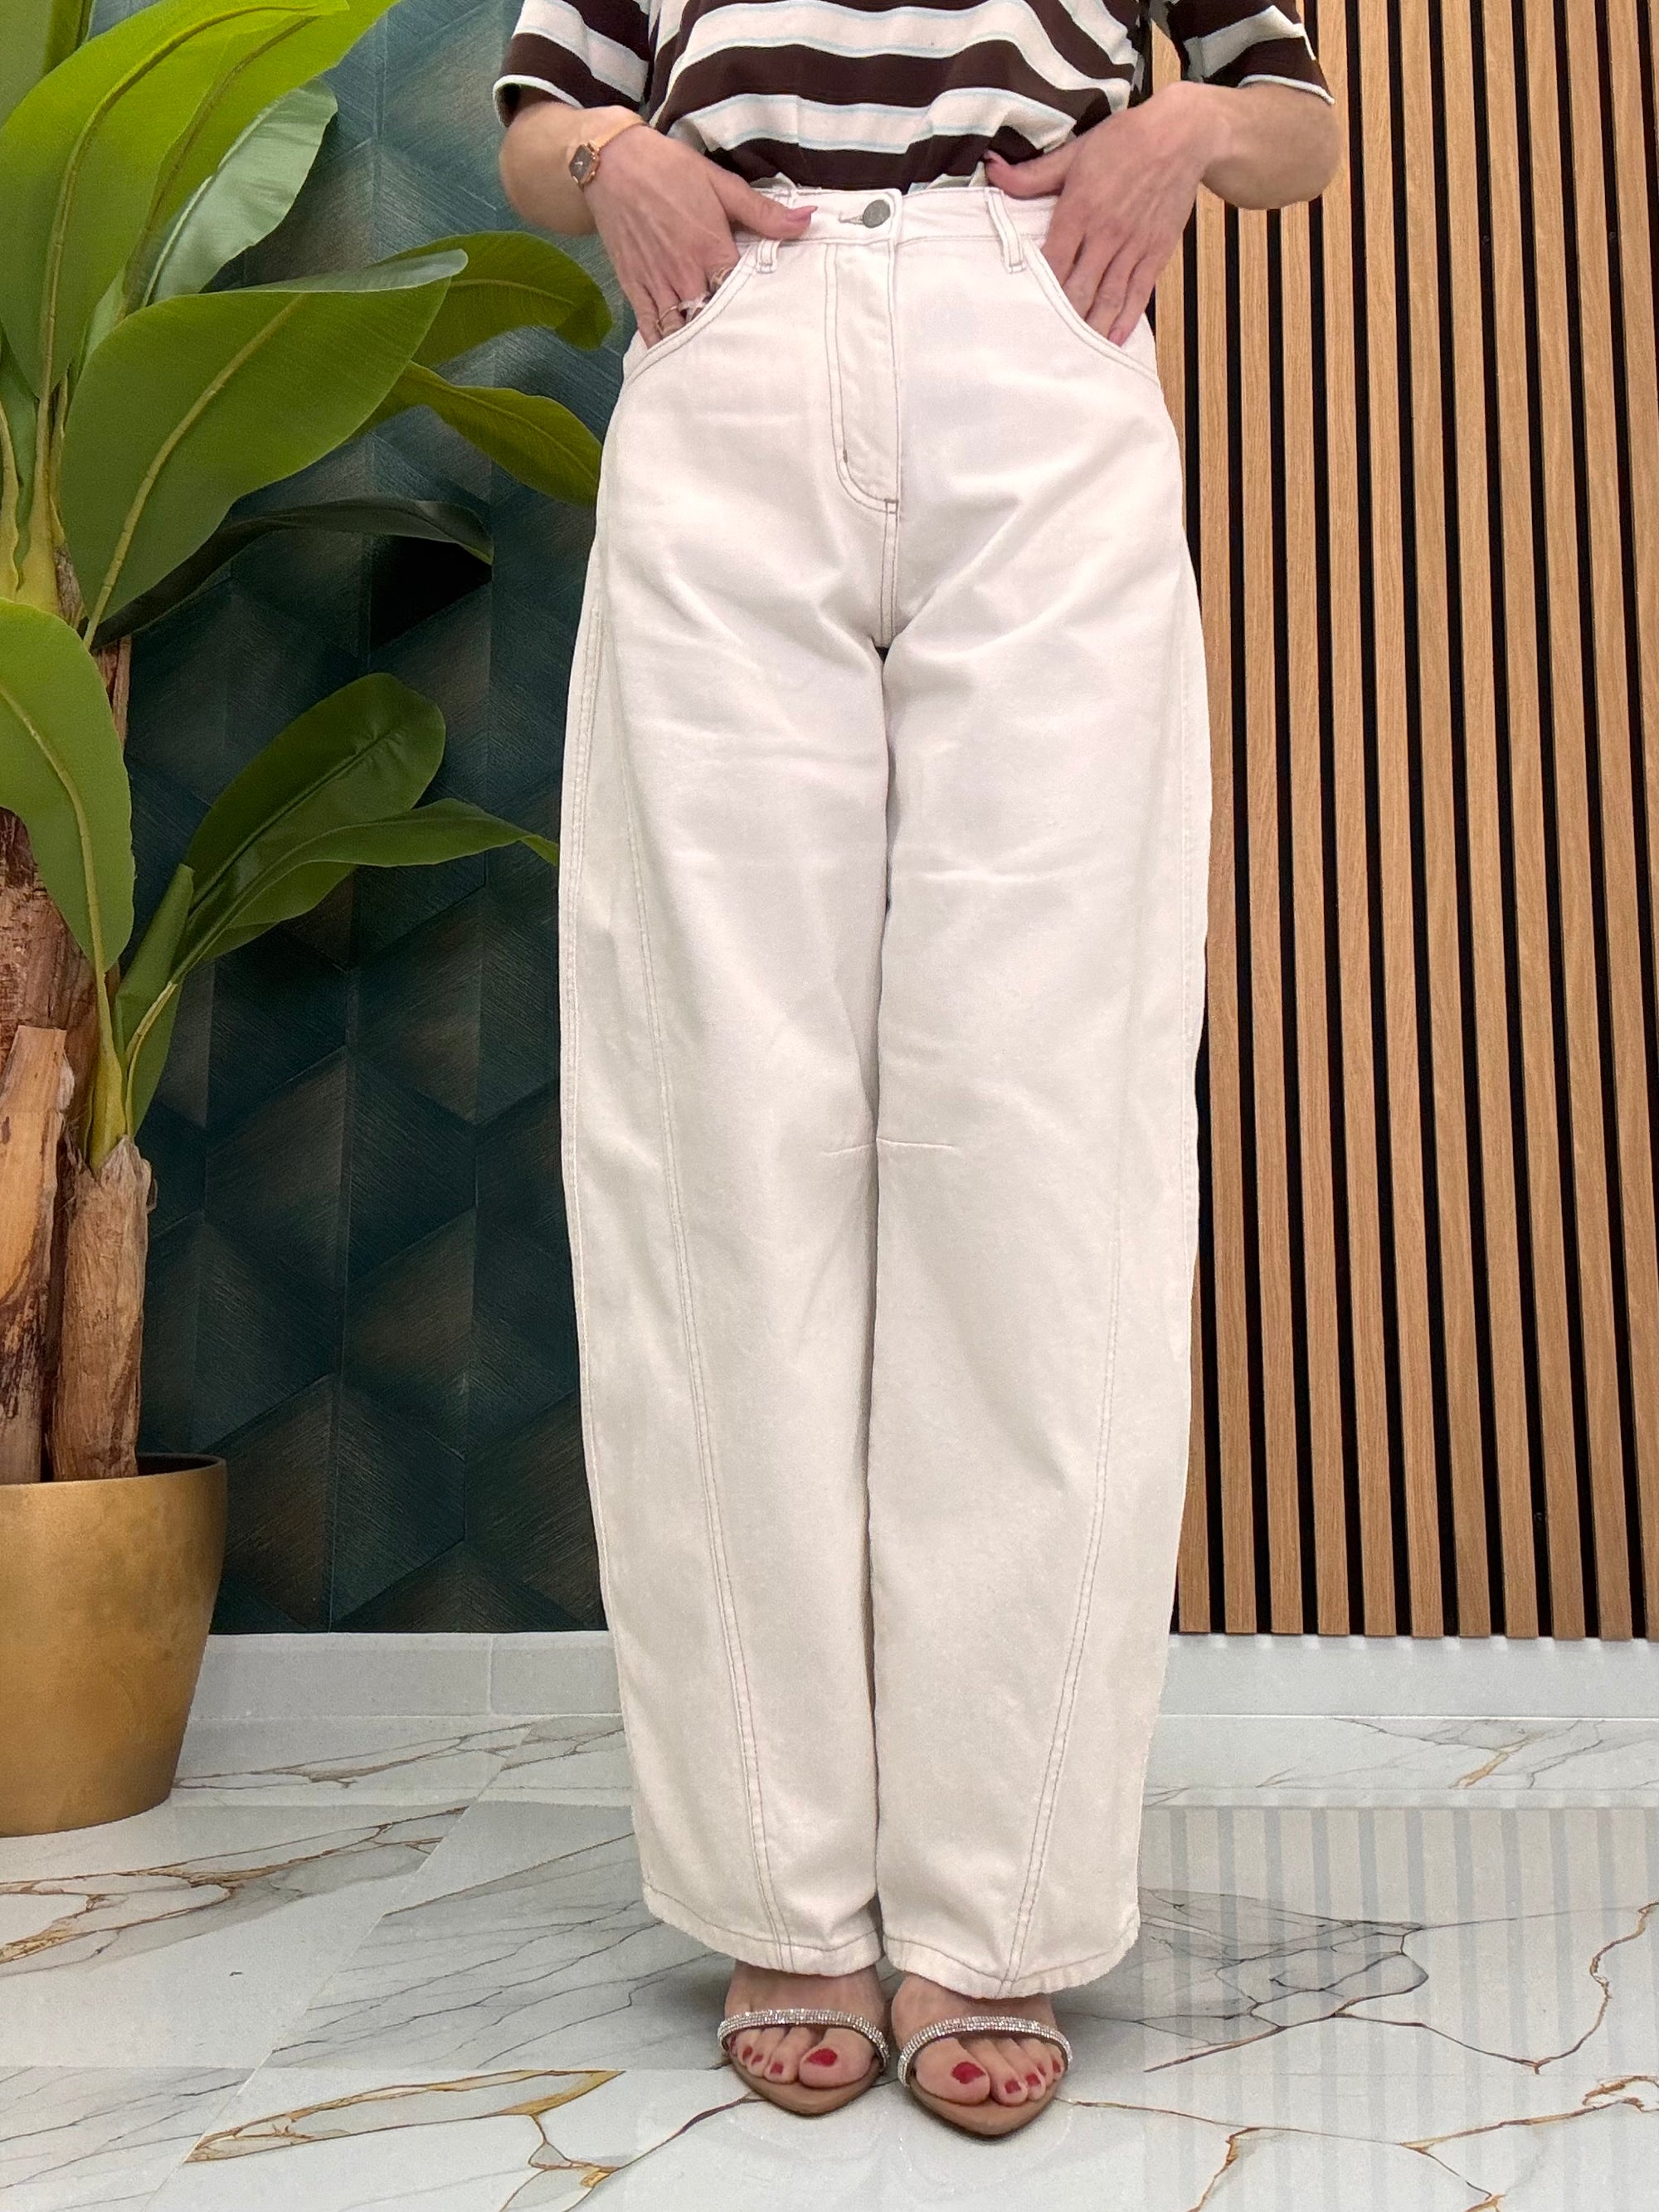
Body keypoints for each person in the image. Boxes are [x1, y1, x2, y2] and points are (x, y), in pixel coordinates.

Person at [495, 0, 1340, 2141]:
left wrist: (1179, 138)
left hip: (1036, 333)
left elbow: (1298, 115)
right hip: (735, 340)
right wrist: (611, 165)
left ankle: (1001, 1893)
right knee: (717, 1132)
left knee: (1040, 1134)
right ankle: (777, 1881)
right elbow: (541, 113)